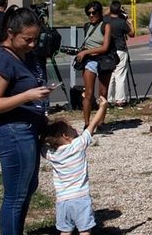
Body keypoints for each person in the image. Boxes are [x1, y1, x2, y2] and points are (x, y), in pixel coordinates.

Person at [0, 6, 52, 235]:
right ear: (10, 33)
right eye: (27, 39)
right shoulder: (1, 60)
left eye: (36, 39)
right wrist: (28, 96)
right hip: (11, 133)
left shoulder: (23, 54)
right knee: (15, 196)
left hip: (26, 130)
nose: (32, 44)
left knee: (27, 188)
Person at [42, 96, 109, 235]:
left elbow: (40, 144)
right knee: (85, 231)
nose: (75, 129)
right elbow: (93, 124)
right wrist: (102, 107)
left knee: (65, 231)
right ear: (66, 135)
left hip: (62, 200)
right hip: (80, 198)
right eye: (72, 128)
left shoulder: (51, 154)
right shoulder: (78, 145)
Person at [74, 1, 116, 127]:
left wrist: (86, 52)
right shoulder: (87, 26)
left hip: (103, 61)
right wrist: (83, 52)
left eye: (94, 13)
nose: (91, 15)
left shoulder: (106, 25)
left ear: (100, 13)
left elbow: (104, 47)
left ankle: (101, 122)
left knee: (103, 94)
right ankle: (87, 123)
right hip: (90, 61)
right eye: (89, 13)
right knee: (88, 94)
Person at [104, 0, 134, 107]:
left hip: (109, 49)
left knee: (110, 75)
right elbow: (132, 34)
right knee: (120, 75)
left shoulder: (106, 20)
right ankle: (120, 99)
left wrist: (111, 8)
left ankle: (108, 98)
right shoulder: (122, 22)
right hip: (120, 49)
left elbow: (104, 14)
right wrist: (131, 23)